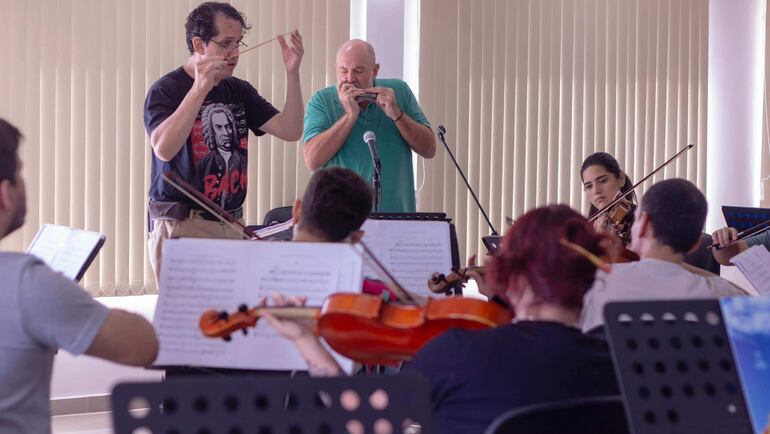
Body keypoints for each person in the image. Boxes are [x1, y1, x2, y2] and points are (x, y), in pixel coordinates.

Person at [264, 205, 620, 433]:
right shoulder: (621, 365)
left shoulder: (459, 353)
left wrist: (306, 341)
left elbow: (366, 420)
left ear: (513, 275)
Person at [0, 119, 159, 434]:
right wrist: (71, 304)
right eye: (19, 172)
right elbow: (142, 345)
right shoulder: (27, 285)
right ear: (5, 194)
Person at [144, 1, 304, 277]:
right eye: (226, 44)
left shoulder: (238, 90)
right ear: (199, 44)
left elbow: (291, 130)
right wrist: (200, 88)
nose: (234, 53)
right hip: (184, 226)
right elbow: (164, 148)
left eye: (238, 43)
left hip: (231, 223)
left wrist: (292, 73)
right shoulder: (166, 90)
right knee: (189, 319)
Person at [580, 178, 747, 334]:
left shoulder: (596, 285)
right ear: (696, 243)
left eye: (636, 219)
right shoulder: (725, 296)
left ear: (644, 223)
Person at [302, 39, 436, 212]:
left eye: (358, 71)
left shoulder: (399, 91)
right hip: (341, 220)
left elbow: (429, 149)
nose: (350, 78)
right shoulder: (321, 100)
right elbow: (312, 160)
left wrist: (397, 114)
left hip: (396, 217)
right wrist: (350, 116)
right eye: (343, 71)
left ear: (375, 71)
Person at [581, 151, 637, 247]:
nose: (596, 191)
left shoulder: (640, 220)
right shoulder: (587, 230)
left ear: (621, 178)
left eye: (603, 181)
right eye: (589, 186)